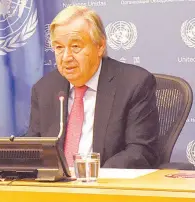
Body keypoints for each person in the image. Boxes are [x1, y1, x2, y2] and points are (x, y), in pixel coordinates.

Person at [26, 6, 159, 169]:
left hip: (107, 189)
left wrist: (94, 175)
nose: (66, 57)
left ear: (100, 46)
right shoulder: (44, 89)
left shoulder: (134, 84)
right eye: (59, 48)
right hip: (55, 190)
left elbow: (140, 151)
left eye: (75, 46)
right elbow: (33, 147)